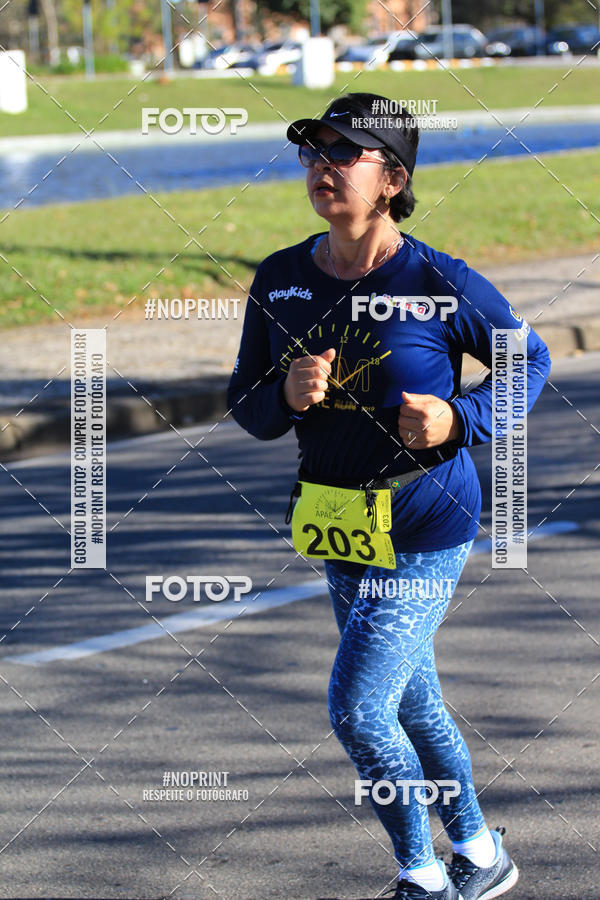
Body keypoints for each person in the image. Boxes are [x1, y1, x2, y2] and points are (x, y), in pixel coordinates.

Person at [227, 92, 551, 900]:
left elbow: (531, 361)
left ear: (393, 177)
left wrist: (459, 417)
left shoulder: (438, 279)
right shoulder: (282, 278)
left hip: (428, 519)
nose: (321, 168)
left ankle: (423, 876)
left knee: (358, 712)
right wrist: (289, 396)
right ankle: (480, 849)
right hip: (340, 523)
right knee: (412, 703)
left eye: (344, 153)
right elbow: (245, 404)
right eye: (313, 152)